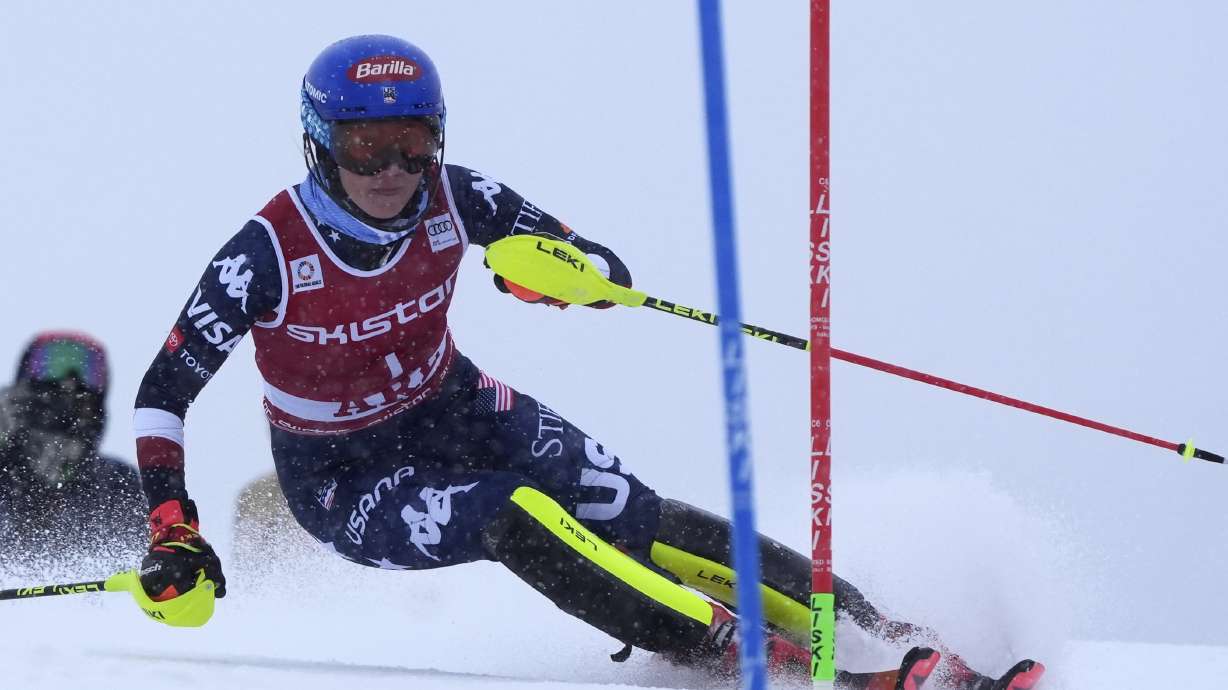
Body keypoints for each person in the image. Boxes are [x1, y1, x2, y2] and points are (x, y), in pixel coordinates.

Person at [131, 35, 1041, 689]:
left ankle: (902, 641)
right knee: (511, 511)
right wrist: (173, 523)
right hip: (342, 473)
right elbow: (162, 393)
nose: (394, 169)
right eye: (368, 146)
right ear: (320, 143)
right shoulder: (265, 252)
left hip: (454, 402)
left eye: (414, 141)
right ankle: (800, 673)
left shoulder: (459, 195)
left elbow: (600, 264)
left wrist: (563, 278)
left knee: (630, 512)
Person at [0, 331, 145, 565]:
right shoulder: (5, 461)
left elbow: (140, 558)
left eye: (88, 370)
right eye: (51, 363)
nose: (70, 379)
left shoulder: (116, 483)